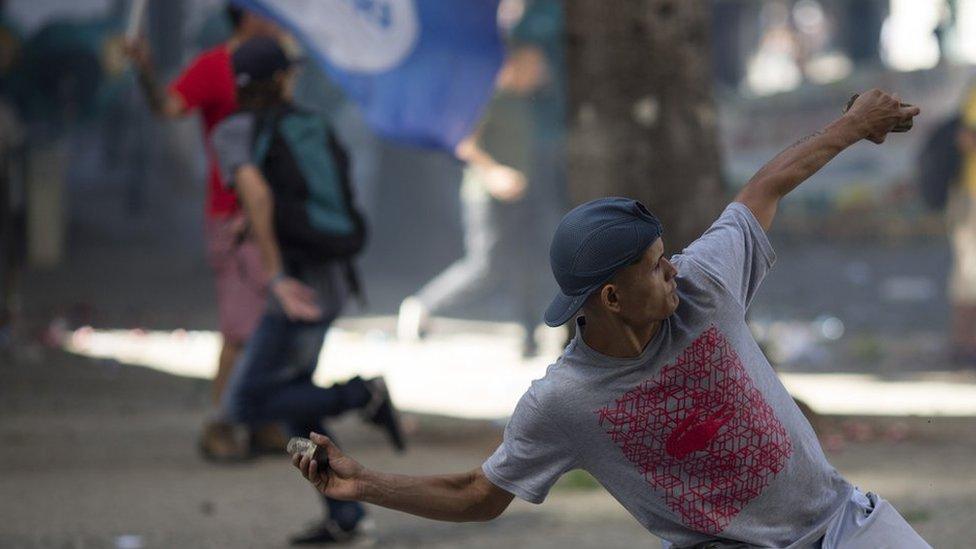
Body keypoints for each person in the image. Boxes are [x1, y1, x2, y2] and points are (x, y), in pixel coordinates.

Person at [292, 89, 930, 548]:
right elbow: (477, 496)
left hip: (845, 524)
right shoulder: (566, 402)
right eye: (654, 268)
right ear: (611, 301)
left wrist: (851, 127)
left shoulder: (704, 282)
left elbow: (761, 189)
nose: (673, 270)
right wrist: (366, 484)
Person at [212, 37, 405, 545]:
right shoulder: (312, 125)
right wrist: (247, 226)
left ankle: (362, 393)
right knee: (298, 409)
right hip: (330, 278)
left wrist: (274, 277)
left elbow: (257, 191)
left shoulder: (235, 130)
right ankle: (346, 518)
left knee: (246, 403)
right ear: (283, 79)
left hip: (297, 289)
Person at [124, 6, 281, 459]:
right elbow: (168, 107)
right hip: (232, 217)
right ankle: (222, 423)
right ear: (248, 14)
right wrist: (146, 71)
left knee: (273, 321)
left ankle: (261, 419)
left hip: (272, 215)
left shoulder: (277, 58)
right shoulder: (213, 67)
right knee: (239, 328)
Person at [396, 37, 560, 358]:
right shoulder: (488, 96)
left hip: (520, 194)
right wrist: (494, 173)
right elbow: (462, 143)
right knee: (485, 265)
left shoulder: (523, 99)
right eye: (534, 64)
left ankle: (530, 336)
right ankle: (421, 305)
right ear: (515, 63)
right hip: (484, 195)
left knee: (527, 260)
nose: (540, 72)